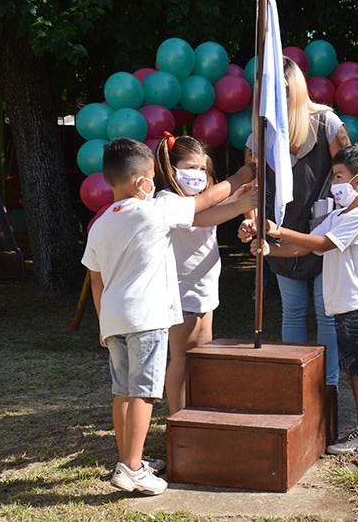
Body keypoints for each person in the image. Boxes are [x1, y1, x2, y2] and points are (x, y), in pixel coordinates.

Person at [82, 138, 254, 496]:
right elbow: (202, 203)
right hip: (146, 317)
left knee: (122, 393)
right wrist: (238, 178)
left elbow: (95, 279)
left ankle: (129, 458)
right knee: (144, 393)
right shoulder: (154, 210)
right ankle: (132, 468)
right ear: (143, 183)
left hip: (113, 319)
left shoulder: (99, 225)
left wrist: (101, 321)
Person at [252, 144, 358, 453]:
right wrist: (270, 249)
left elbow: (323, 244)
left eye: (339, 177)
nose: (334, 184)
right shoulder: (340, 214)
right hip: (347, 304)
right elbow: (307, 247)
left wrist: (278, 231)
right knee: (353, 366)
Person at [239, 57, 351, 387]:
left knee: (325, 314)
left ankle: (327, 388)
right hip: (280, 232)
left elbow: (351, 176)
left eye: (282, 90)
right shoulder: (258, 133)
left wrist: (343, 225)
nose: (275, 98)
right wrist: (252, 221)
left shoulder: (327, 122)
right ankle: (297, 384)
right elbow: (251, 189)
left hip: (324, 232)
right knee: (293, 310)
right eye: (267, 91)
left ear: (296, 89)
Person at [153, 133, 256, 416]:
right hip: (178, 291)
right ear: (171, 168)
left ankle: (196, 411)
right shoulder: (167, 201)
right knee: (182, 360)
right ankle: (178, 416)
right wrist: (238, 181)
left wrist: (247, 220)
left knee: (201, 355)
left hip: (205, 290)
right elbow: (205, 215)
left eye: (203, 169)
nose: (198, 175)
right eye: (191, 167)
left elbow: (235, 200)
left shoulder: (202, 199)